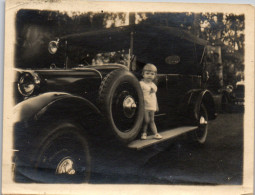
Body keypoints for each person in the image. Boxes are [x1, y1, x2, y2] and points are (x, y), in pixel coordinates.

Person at [140, 63, 162, 140]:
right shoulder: (141, 84)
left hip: (152, 106)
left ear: (155, 75)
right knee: (146, 120)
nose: (149, 75)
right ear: (143, 74)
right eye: (147, 73)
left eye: (152, 74)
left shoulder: (154, 85)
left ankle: (155, 133)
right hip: (145, 105)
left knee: (152, 120)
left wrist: (156, 105)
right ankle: (144, 133)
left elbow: (154, 97)